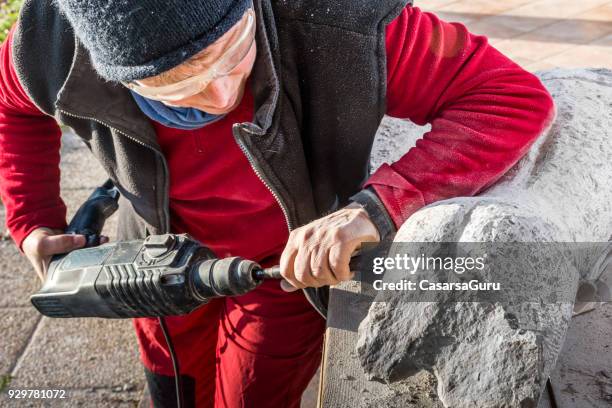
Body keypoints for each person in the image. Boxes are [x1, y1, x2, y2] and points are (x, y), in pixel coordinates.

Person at [0, 0, 555, 406]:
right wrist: (31, 220)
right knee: (172, 386)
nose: (222, 97)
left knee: (252, 396)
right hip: (148, 254)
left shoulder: (342, 20)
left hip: (284, 267)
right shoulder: (48, 44)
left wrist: (377, 205)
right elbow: (13, 111)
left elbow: (509, 98)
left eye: (230, 54)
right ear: (110, 70)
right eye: (177, 85)